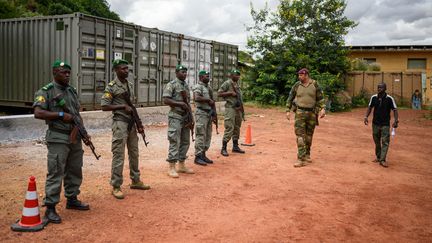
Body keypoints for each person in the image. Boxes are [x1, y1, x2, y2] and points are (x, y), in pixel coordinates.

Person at [33, 60, 90, 224]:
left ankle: (72, 198)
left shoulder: (71, 91)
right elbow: (38, 112)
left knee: (75, 168)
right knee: (56, 170)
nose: (67, 75)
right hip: (58, 136)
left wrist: (84, 133)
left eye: (68, 73)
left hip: (74, 136)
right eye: (63, 72)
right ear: (54, 73)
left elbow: (76, 115)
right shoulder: (47, 91)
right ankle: (50, 208)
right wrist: (59, 115)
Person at [101, 59, 150, 200]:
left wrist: (139, 124)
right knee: (119, 155)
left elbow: (132, 107)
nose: (126, 71)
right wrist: (121, 107)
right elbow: (104, 106)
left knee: (134, 153)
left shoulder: (129, 85)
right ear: (116, 70)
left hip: (131, 124)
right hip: (120, 123)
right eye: (123, 69)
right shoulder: (111, 87)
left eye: (127, 68)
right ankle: (116, 186)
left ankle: (136, 180)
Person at [286, 68, 326, 168]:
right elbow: (290, 97)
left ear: (306, 75)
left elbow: (320, 98)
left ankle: (307, 155)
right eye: (299, 75)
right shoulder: (296, 85)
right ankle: (301, 159)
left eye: (301, 75)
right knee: (300, 136)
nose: (299, 77)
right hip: (299, 113)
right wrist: (287, 110)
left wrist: (323, 109)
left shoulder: (315, 84)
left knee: (309, 136)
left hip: (312, 113)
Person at [162, 64, 195, 178]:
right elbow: (166, 99)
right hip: (175, 116)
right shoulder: (171, 85)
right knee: (174, 141)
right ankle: (171, 167)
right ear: (176, 73)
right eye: (182, 72)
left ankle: (181, 164)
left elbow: (188, 103)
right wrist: (179, 103)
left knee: (185, 141)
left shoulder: (185, 85)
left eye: (186, 72)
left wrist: (191, 118)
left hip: (185, 116)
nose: (184, 74)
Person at [364, 82, 399, 167]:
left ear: (385, 88)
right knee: (376, 141)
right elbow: (370, 107)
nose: (379, 89)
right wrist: (366, 116)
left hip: (385, 124)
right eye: (378, 87)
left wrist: (396, 120)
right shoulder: (374, 97)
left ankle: (382, 160)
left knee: (385, 141)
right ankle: (379, 156)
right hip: (375, 123)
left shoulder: (389, 99)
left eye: (381, 88)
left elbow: (395, 109)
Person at [218, 69, 245, 156]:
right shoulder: (227, 83)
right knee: (229, 127)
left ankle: (235, 146)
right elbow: (219, 93)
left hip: (238, 109)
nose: (237, 76)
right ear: (231, 75)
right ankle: (224, 148)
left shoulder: (237, 84)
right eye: (236, 75)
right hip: (230, 108)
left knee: (237, 127)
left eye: (238, 75)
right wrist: (230, 93)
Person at [193, 70, 216, 166]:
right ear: (201, 77)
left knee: (208, 135)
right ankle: (197, 157)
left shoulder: (208, 87)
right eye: (207, 76)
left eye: (208, 76)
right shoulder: (198, 87)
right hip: (201, 113)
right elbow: (196, 98)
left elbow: (213, 101)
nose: (208, 78)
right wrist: (207, 100)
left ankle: (203, 154)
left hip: (208, 114)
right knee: (200, 134)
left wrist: (214, 114)